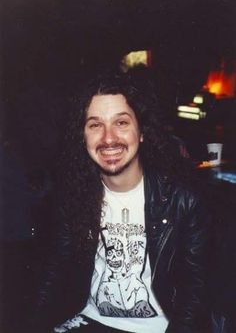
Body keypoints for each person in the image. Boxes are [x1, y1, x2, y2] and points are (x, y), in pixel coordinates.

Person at [33, 70, 211, 333]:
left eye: (121, 123)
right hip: (88, 321)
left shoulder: (183, 200)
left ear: (141, 132)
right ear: (83, 137)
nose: (108, 138)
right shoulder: (75, 195)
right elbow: (55, 273)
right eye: (95, 125)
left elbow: (194, 293)